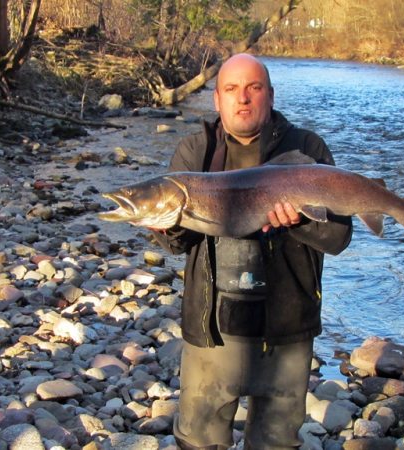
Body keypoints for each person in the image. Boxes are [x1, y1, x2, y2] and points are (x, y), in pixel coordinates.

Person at [151, 53, 353, 450]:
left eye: (253, 88)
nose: (242, 98)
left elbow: (338, 238)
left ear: (270, 95)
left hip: (288, 325)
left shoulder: (307, 148)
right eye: (231, 89)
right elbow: (176, 245)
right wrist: (168, 224)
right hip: (212, 326)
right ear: (217, 100)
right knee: (199, 438)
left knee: (276, 442)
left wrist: (300, 220)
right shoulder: (196, 152)